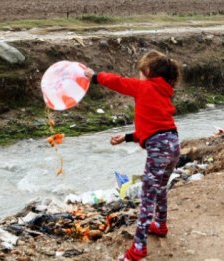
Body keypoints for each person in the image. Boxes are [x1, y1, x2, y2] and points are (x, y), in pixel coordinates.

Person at [85, 50, 181, 261]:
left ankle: (138, 249)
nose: (138, 76)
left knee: (147, 196)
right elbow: (155, 127)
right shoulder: (164, 92)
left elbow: (118, 82)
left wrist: (94, 76)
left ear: (147, 71)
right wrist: (128, 137)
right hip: (173, 144)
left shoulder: (144, 86)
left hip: (159, 147)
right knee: (161, 188)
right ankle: (160, 225)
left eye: (140, 72)